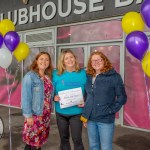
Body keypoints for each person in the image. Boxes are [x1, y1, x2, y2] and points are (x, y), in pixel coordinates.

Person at [80, 51, 127, 150]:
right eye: (93, 60)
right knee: (93, 146)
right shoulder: (88, 76)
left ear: (104, 61)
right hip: (90, 119)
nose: (96, 62)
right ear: (90, 63)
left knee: (106, 147)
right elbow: (87, 96)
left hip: (105, 119)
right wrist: (85, 116)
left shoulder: (114, 77)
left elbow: (122, 97)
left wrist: (110, 110)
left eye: (99, 60)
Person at [52, 49, 86, 150]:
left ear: (75, 59)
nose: (69, 60)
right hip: (61, 113)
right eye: (66, 58)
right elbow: (50, 91)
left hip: (76, 113)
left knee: (77, 139)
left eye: (71, 57)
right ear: (62, 61)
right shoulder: (56, 74)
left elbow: (89, 92)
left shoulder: (83, 73)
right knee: (64, 139)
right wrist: (53, 97)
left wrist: (85, 101)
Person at [22, 52, 54, 150]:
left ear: (49, 62)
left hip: (45, 116)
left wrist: (54, 98)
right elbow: (26, 97)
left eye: (47, 59)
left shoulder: (47, 77)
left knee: (39, 142)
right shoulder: (30, 76)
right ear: (36, 61)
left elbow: (47, 95)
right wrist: (28, 116)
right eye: (41, 59)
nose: (44, 61)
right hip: (35, 115)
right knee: (30, 142)